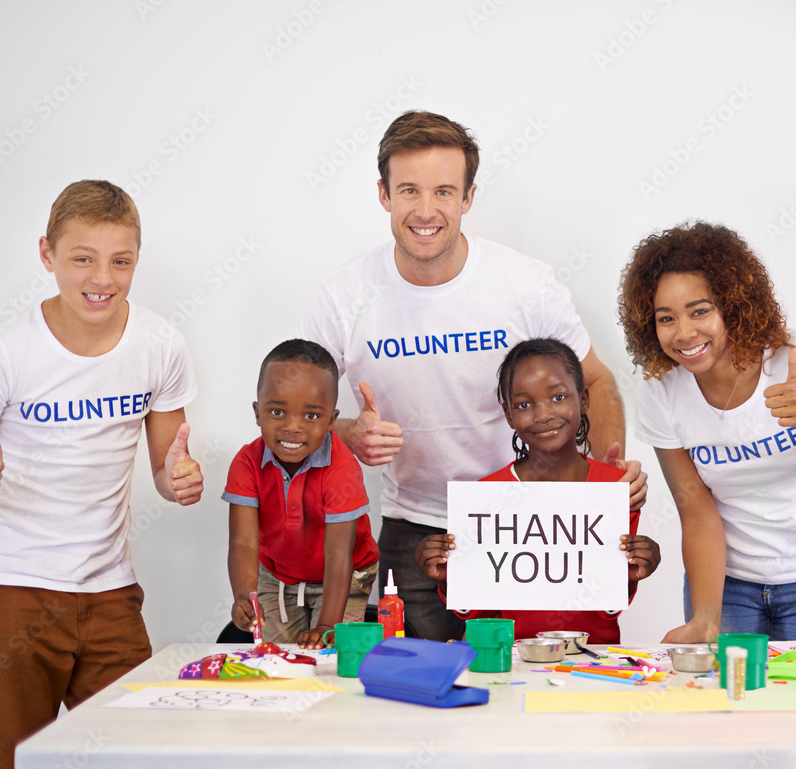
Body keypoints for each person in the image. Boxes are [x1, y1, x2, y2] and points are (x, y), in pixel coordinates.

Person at [300, 110, 647, 642]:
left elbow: (595, 381)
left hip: (531, 524)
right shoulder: (343, 296)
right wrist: (348, 432)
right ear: (383, 195)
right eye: (409, 190)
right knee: (422, 699)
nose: (425, 210)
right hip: (414, 527)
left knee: (537, 692)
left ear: (467, 198)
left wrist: (605, 473)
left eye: (443, 191)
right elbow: (301, 418)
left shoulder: (525, 283)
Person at [0, 180, 204, 769]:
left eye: (120, 261)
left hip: (109, 593)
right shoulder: (11, 353)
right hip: (10, 591)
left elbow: (163, 462)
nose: (102, 278)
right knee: (14, 762)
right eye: (83, 258)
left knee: (140, 754)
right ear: (47, 255)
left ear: (135, 261)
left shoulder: (159, 344)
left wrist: (175, 479)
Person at [618, 221, 796, 643]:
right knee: (724, 703)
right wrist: (705, 618)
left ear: (733, 305)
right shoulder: (661, 391)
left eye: (700, 311)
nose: (684, 333)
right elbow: (696, 510)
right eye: (665, 318)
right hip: (727, 585)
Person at [414, 339, 660, 641]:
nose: (543, 415)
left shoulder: (615, 489)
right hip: (505, 661)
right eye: (524, 405)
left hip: (591, 660)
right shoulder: (486, 495)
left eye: (558, 397)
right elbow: (477, 611)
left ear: (583, 400)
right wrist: (449, 578)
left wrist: (631, 576)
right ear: (508, 415)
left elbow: (606, 603)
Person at [223, 339, 380, 649]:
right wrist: (243, 595)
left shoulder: (341, 469)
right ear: (258, 413)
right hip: (278, 574)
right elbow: (243, 542)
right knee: (278, 658)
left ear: (332, 421)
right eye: (277, 411)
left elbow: (339, 556)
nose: (292, 427)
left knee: (330, 653)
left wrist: (326, 624)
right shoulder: (246, 462)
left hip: (343, 573)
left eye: (310, 416)